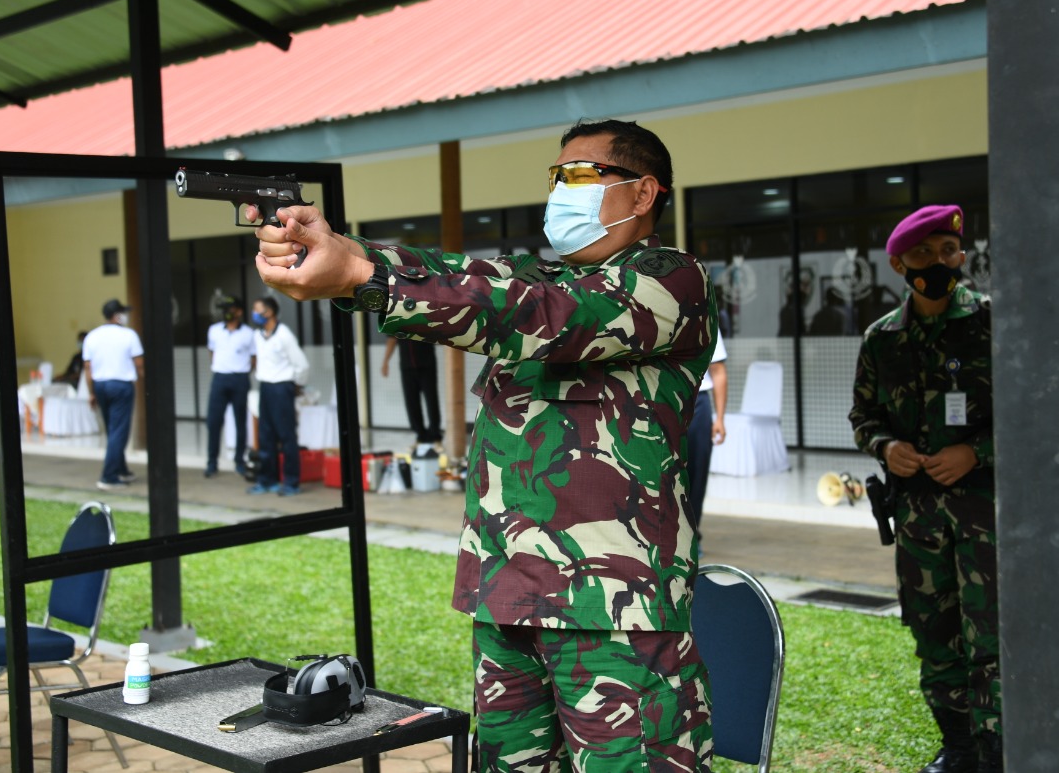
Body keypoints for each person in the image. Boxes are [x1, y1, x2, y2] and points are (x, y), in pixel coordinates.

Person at [252, 119, 717, 772]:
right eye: (558, 177)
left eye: (582, 175)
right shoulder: (538, 279)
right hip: (506, 596)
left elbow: (545, 314)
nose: (562, 191)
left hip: (614, 615)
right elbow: (466, 276)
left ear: (644, 195)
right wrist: (346, 254)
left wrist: (363, 273)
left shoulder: (670, 281)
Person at [849, 204, 1002, 773]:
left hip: (985, 510)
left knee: (990, 634)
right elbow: (863, 417)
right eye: (924, 255)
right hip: (917, 518)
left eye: (949, 252)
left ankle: (996, 750)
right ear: (898, 264)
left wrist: (975, 452)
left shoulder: (992, 322)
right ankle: (959, 745)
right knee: (935, 633)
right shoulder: (882, 339)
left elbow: (1033, 415)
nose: (940, 263)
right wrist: (887, 448)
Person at [250, 296, 309, 497]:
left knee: (286, 436)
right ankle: (267, 480)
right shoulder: (258, 335)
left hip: (282, 387)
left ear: (270, 312)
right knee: (265, 436)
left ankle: (291, 482)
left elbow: (301, 365)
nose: (255, 314)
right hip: (265, 387)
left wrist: (296, 385)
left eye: (258, 310)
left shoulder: (284, 335)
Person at [83, 299, 143, 490]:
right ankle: (108, 476)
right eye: (123, 312)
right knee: (119, 431)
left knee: (112, 430)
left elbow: (87, 368)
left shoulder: (92, 336)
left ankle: (121, 468)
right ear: (117, 315)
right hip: (121, 386)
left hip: (100, 386)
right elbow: (139, 363)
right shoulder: (129, 335)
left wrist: (91, 392)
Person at [204, 297, 256, 479]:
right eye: (224, 308)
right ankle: (212, 462)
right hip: (219, 378)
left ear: (239, 311)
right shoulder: (214, 330)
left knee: (240, 421)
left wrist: (241, 372)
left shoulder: (249, 333)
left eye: (230, 308)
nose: (226, 312)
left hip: (240, 379)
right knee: (213, 421)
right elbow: (212, 353)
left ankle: (239, 461)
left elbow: (253, 359)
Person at [685, 328, 726, 540]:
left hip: (698, 401)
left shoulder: (706, 317)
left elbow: (718, 370)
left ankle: (692, 535)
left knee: (697, 471)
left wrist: (719, 418)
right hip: (664, 399)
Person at [380, 336, 442, 446]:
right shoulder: (397, 320)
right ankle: (420, 435)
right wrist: (385, 361)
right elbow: (392, 339)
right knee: (411, 402)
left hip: (427, 364)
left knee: (431, 399)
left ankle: (435, 435)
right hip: (407, 366)